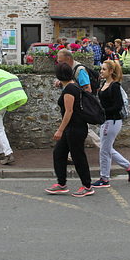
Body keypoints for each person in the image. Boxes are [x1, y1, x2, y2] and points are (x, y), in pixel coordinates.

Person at [45, 62, 95, 197]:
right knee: (59, 153)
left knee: (78, 157)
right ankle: (61, 184)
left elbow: (69, 111)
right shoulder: (72, 86)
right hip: (73, 127)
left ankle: (87, 186)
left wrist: (60, 130)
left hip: (74, 128)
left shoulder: (69, 90)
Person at [91, 60, 130, 188]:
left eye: (104, 69)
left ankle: (104, 178)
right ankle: (129, 167)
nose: (101, 71)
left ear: (111, 71)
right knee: (106, 149)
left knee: (104, 151)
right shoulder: (103, 84)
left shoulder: (115, 86)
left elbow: (118, 106)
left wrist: (102, 112)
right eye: (101, 69)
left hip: (112, 121)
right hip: (106, 121)